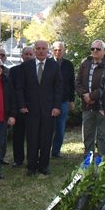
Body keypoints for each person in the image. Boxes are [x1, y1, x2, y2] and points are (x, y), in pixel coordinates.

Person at [16, 40, 63, 176]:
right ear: (34, 50)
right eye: (38, 48)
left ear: (47, 50)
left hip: (49, 110)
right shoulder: (27, 66)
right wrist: (22, 105)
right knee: (32, 139)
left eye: (43, 48)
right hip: (31, 110)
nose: (41, 51)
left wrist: (57, 106)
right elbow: (20, 88)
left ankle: (43, 166)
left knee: (46, 139)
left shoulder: (54, 66)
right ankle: (31, 166)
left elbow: (59, 88)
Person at [76, 40, 105, 158]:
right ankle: (87, 162)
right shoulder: (85, 63)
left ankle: (102, 162)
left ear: (104, 51)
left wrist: (92, 96)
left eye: (98, 49)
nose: (95, 51)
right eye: (92, 48)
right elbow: (78, 82)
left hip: (102, 106)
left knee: (102, 136)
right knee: (88, 135)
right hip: (87, 105)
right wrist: (84, 95)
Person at [10, 46, 35, 168]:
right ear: (22, 56)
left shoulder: (39, 69)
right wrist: (20, 106)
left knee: (33, 136)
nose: (29, 56)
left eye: (31, 54)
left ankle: (32, 159)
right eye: (26, 54)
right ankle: (18, 159)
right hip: (19, 108)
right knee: (18, 136)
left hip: (34, 109)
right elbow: (13, 91)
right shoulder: (14, 71)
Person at [50, 41, 76, 158]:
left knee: (60, 128)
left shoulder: (68, 65)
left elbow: (71, 84)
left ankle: (56, 152)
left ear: (63, 51)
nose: (58, 52)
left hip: (64, 101)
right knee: (48, 128)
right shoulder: (47, 63)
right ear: (52, 51)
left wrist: (72, 100)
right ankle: (45, 150)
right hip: (49, 101)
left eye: (60, 50)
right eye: (55, 50)